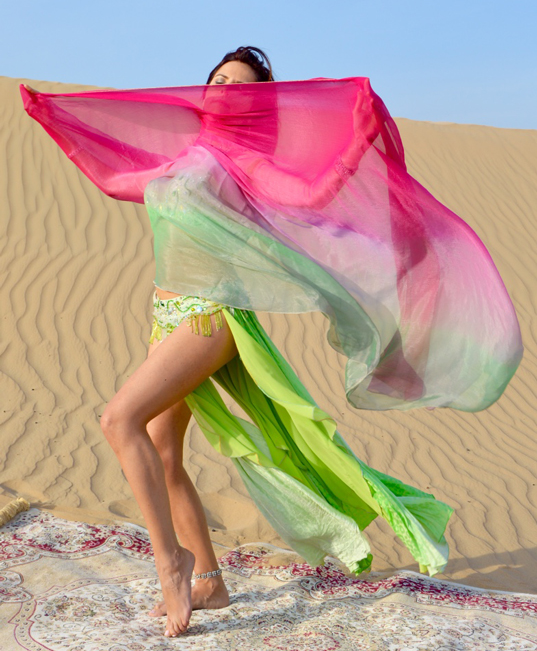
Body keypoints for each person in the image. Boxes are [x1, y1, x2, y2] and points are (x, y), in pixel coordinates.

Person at [20, 47, 523, 638]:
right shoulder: (184, 158)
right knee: (162, 453)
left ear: (256, 104)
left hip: (208, 318)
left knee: (118, 420)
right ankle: (209, 581)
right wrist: (51, 116)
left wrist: (358, 140)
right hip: (165, 316)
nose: (222, 90)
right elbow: (114, 180)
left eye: (239, 85)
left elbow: (311, 196)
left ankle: (172, 564)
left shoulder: (246, 164)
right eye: (217, 79)